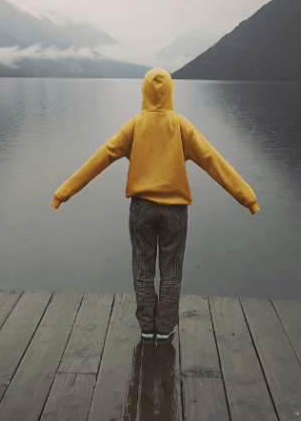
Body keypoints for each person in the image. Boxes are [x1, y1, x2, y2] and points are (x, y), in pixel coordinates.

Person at [50, 67, 260, 341]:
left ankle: (147, 327)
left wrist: (62, 193)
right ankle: (165, 329)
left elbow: (100, 158)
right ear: (171, 92)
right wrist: (248, 198)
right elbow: (212, 160)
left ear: (144, 93)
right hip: (175, 211)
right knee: (171, 272)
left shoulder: (135, 125)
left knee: (142, 268)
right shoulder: (181, 125)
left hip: (142, 209)